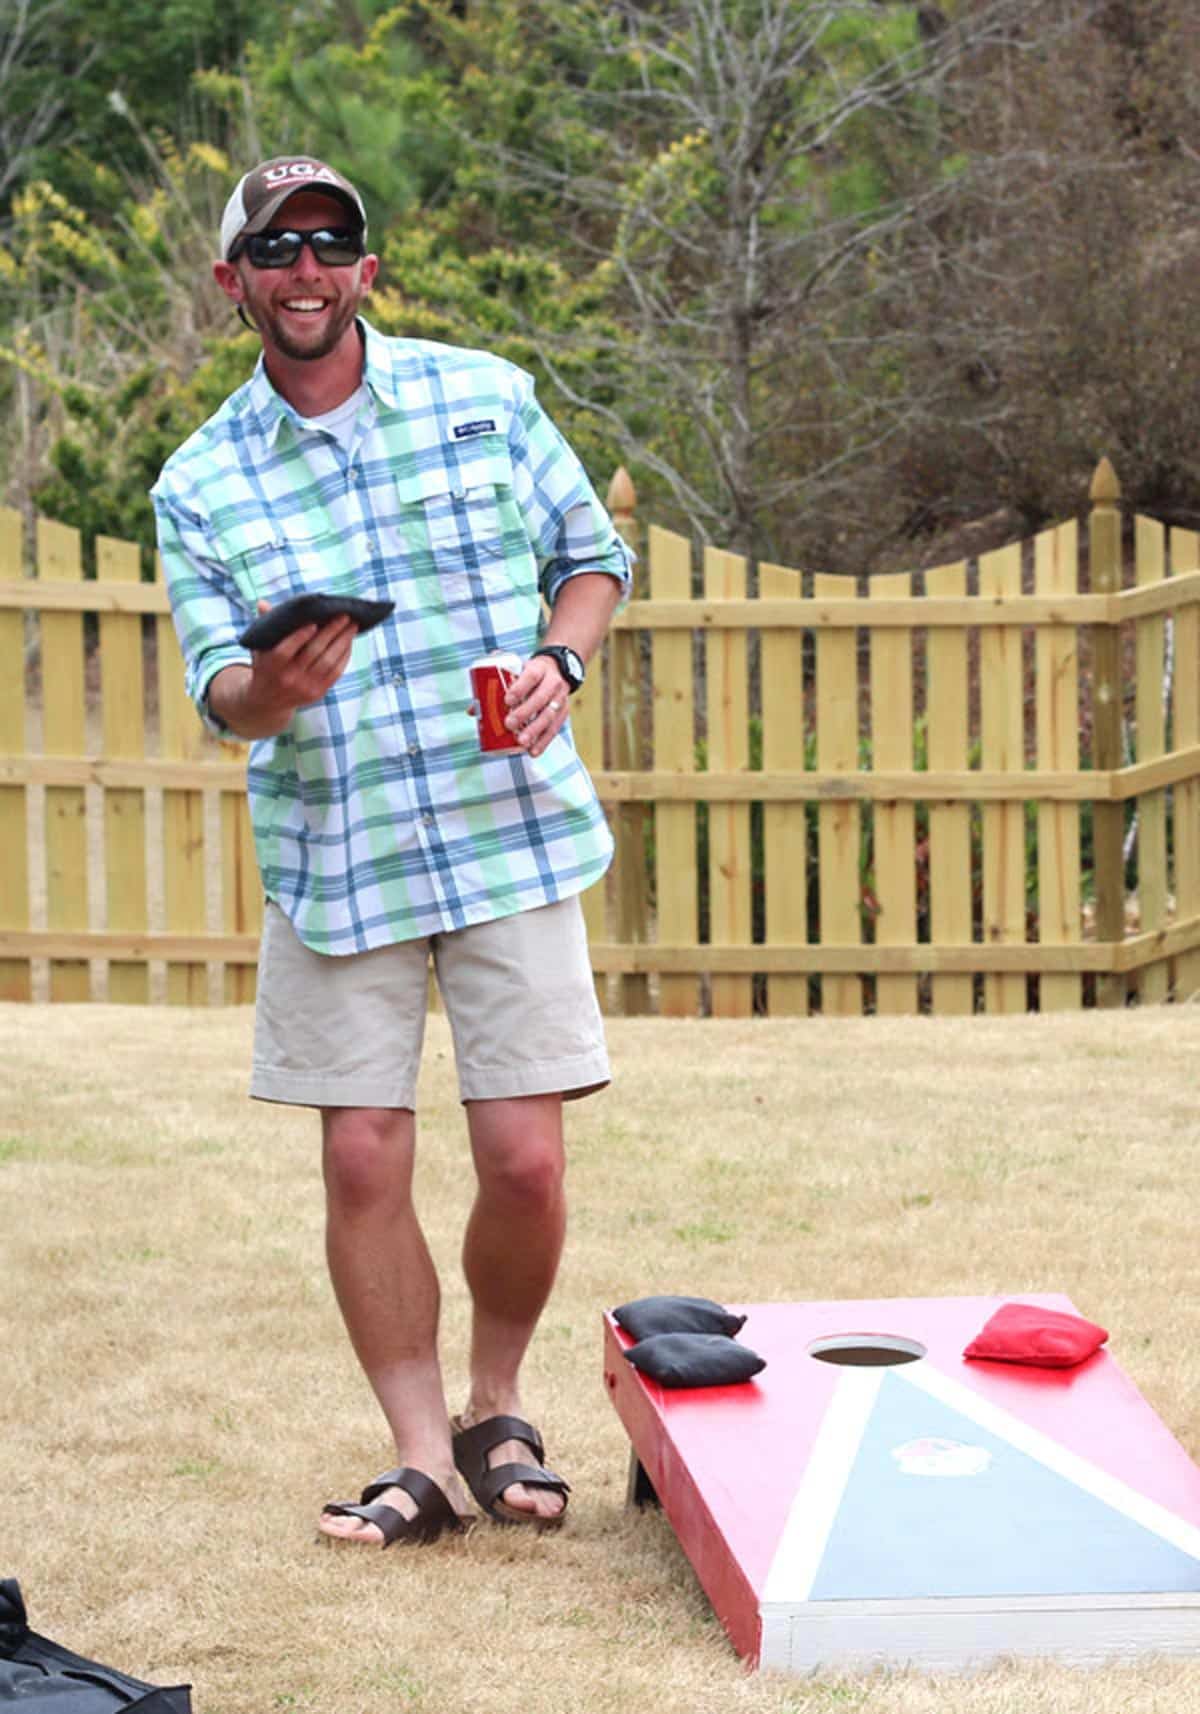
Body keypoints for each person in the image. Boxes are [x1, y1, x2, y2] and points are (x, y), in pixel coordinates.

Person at [151, 156, 631, 1548]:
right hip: (337, 844)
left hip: (505, 828)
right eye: (275, 249)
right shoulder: (201, 481)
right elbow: (221, 693)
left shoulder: (485, 396)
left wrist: (560, 662)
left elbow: (591, 557)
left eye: (330, 243)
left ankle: (497, 1402)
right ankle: (421, 1457)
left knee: (525, 1161)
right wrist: (274, 689)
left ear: (366, 268)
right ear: (234, 281)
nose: (304, 269)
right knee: (363, 1155)